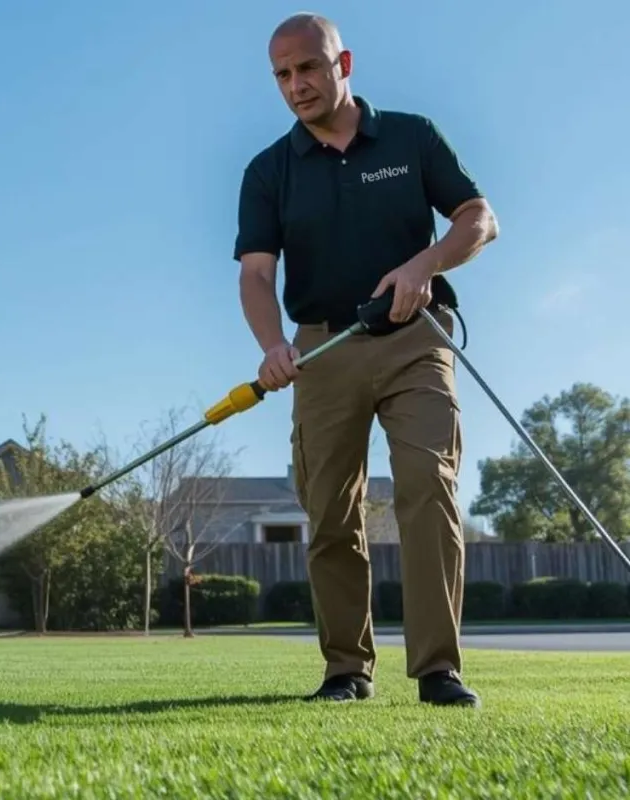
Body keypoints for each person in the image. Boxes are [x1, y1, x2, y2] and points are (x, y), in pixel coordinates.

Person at [233, 12, 498, 706]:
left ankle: (438, 669)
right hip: (322, 348)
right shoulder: (268, 171)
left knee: (426, 485)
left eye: (308, 68)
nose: (297, 85)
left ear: (342, 62)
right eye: (282, 75)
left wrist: (426, 263)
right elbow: (256, 276)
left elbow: (479, 217)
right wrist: (272, 347)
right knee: (328, 513)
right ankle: (347, 670)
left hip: (417, 340)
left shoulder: (411, 137)